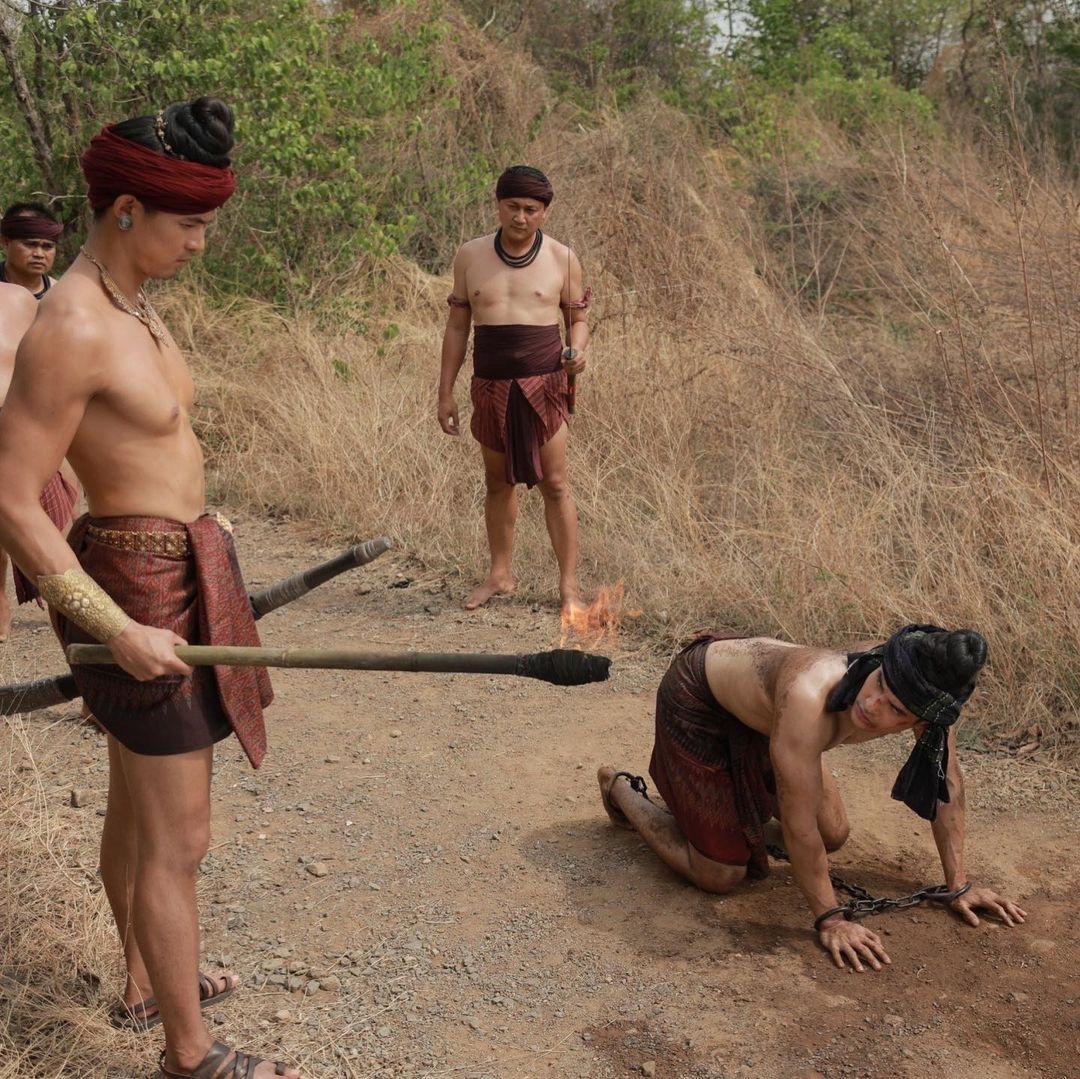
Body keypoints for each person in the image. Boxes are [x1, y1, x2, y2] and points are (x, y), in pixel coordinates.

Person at [0, 98, 298, 1079]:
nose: (202, 246)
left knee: (136, 803)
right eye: (191, 225)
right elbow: (12, 498)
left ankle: (141, 976)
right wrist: (110, 622)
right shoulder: (72, 326)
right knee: (181, 835)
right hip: (129, 589)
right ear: (126, 209)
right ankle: (190, 1054)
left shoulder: (134, 304)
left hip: (172, 568)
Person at [597, 624, 1027, 973]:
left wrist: (959, 884)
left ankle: (723, 818)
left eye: (896, 710)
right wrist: (831, 918)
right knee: (721, 875)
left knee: (834, 833)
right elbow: (797, 824)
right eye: (878, 684)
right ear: (879, 663)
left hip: (766, 718)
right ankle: (622, 790)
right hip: (699, 696)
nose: (872, 705)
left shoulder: (930, 696)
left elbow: (946, 783)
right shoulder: (811, 693)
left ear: (923, 720)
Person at [438, 165, 590, 613]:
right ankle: (500, 574)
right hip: (489, 384)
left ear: (544, 212)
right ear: (497, 204)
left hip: (545, 384)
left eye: (531, 209)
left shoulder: (563, 258)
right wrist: (444, 392)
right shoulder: (470, 255)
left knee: (557, 484)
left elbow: (577, 319)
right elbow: (457, 325)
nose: (520, 217)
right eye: (512, 207)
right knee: (497, 482)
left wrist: (577, 350)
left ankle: (568, 588)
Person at [0, 201, 61, 298]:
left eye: (47, 246)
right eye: (31, 244)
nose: (39, 254)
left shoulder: (59, 296)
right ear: (6, 242)